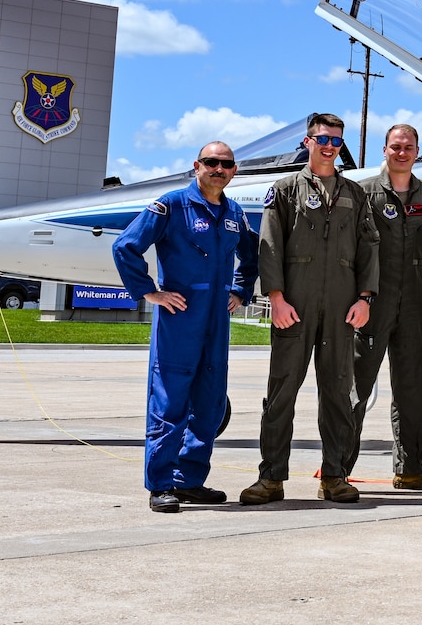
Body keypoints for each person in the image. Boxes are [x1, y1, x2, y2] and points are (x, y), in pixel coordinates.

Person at [111, 141, 259, 512]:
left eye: (226, 164)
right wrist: (150, 293)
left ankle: (190, 480)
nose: (218, 169)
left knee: (209, 402)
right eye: (211, 162)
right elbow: (125, 246)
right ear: (197, 165)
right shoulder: (172, 205)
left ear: (233, 171)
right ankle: (160, 483)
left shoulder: (233, 212)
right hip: (180, 318)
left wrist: (241, 290)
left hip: (216, 320)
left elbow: (253, 254)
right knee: (170, 400)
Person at [242, 114, 378, 506]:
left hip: (341, 307)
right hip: (294, 307)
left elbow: (370, 248)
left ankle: (335, 476)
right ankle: (271, 478)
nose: (329, 146)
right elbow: (269, 247)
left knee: (338, 393)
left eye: (336, 140)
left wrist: (365, 298)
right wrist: (277, 298)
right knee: (282, 392)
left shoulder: (355, 193)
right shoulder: (284, 190)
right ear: (307, 141)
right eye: (322, 138)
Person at [349, 123, 422, 490]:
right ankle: (337, 470)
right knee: (356, 386)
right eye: (395, 146)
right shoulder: (363, 192)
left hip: (412, 303)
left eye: (408, 147)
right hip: (372, 300)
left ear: (418, 151)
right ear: (385, 150)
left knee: (413, 388)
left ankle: (411, 469)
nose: (402, 152)